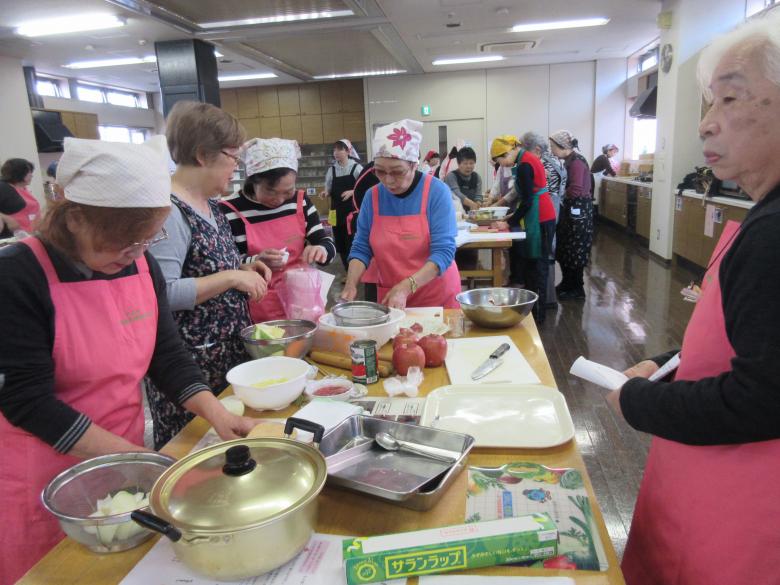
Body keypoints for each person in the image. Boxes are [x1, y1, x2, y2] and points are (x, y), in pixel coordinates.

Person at [0, 136, 258, 583]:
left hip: (123, 455)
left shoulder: (139, 264)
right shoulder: (17, 277)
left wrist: (214, 411)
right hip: (44, 472)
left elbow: (166, 352)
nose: (135, 255)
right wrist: (148, 462)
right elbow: (27, 401)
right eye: (123, 243)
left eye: (146, 240)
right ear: (75, 218)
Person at [606, 14, 780, 585]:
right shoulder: (763, 215)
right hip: (706, 485)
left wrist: (640, 403)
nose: (705, 125)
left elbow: (764, 398)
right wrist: (668, 361)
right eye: (708, 104)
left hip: (739, 510)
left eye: (729, 99)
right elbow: (748, 334)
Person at [148, 101, 270, 449]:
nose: (236, 168)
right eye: (232, 158)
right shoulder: (169, 212)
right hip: (190, 371)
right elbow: (163, 293)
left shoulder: (212, 205)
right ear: (203, 155)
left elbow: (207, 267)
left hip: (223, 361)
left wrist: (243, 268)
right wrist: (232, 278)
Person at [341, 118, 460, 309]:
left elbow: (443, 252)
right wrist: (350, 283)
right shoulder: (372, 197)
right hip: (392, 298)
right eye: (380, 172)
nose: (388, 181)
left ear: (414, 164)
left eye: (397, 172)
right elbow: (361, 247)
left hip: (436, 298)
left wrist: (406, 286)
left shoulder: (436, 192)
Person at [219, 138, 335, 321]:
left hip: (302, 303)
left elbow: (325, 242)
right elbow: (226, 265)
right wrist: (256, 260)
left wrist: (320, 250)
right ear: (252, 180)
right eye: (271, 192)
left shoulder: (300, 201)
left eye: (287, 191)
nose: (280, 200)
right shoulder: (229, 210)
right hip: (257, 306)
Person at [489, 135, 556, 324]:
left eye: (501, 160)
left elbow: (527, 200)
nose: (503, 165)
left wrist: (509, 222)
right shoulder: (525, 159)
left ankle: (538, 315)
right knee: (533, 266)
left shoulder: (525, 164)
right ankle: (533, 312)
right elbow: (526, 197)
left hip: (540, 216)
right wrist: (512, 217)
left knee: (539, 266)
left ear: (508, 151)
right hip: (537, 213)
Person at [522, 131, 567, 307]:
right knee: (548, 252)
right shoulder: (555, 161)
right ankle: (548, 298)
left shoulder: (543, 163)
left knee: (543, 255)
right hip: (553, 208)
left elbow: (535, 191)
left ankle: (545, 300)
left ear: (537, 149)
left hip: (545, 210)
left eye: (526, 151)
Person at [549, 130, 593, 301]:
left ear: (563, 147)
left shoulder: (576, 163)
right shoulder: (568, 160)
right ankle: (567, 284)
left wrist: (557, 196)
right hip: (570, 211)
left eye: (553, 147)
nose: (552, 150)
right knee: (565, 248)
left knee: (575, 249)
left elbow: (575, 190)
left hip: (578, 212)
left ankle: (576, 288)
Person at [321, 139, 363, 269]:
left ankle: (355, 270)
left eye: (340, 149)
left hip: (352, 212)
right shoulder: (332, 170)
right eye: (334, 150)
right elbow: (328, 187)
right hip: (335, 212)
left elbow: (365, 188)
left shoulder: (357, 168)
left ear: (347, 151)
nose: (336, 153)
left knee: (351, 241)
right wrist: (325, 192)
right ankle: (347, 270)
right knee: (339, 243)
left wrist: (353, 191)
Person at [1, 157, 41, 235]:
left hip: (30, 233)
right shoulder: (3, 188)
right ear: (19, 173)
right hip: (13, 235)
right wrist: (7, 218)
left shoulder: (24, 188)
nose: (31, 175)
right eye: (28, 172)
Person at [444, 146, 482, 211]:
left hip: (471, 213)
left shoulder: (477, 177)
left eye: (471, 163)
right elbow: (457, 194)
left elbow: (478, 195)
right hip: (454, 212)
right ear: (458, 164)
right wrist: (472, 204)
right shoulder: (451, 176)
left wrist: (478, 204)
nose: (468, 166)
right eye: (465, 163)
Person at [590, 144, 618, 209]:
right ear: (608, 151)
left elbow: (605, 171)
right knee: (595, 196)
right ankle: (595, 213)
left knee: (596, 196)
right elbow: (609, 168)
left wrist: (609, 175)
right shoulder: (603, 158)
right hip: (594, 178)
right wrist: (615, 176)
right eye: (613, 152)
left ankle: (595, 212)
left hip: (596, 177)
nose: (614, 154)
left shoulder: (604, 158)